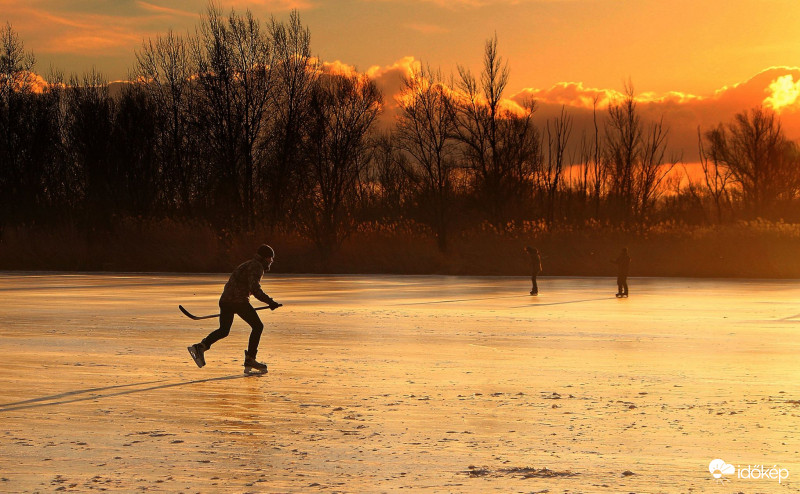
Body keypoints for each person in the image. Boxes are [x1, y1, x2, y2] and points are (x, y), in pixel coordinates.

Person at [187, 244, 281, 374]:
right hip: (238, 301)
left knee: (224, 330)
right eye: (270, 258)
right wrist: (270, 302)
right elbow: (255, 289)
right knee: (258, 326)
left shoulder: (247, 264)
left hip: (225, 300)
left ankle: (201, 347)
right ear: (265, 258)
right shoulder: (257, 267)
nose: (271, 261)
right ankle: (250, 359)